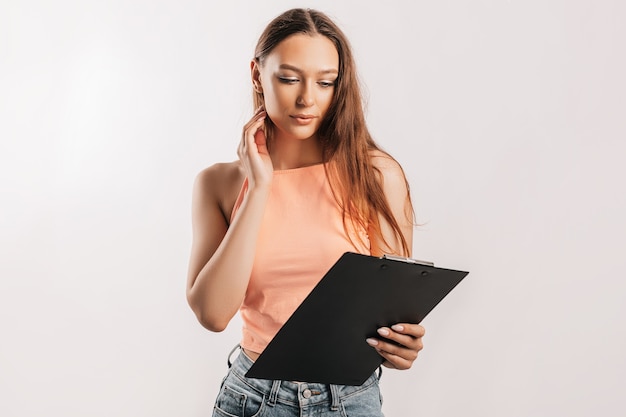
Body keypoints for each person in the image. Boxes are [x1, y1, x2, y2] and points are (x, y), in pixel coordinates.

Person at [186, 8, 425, 416]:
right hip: (253, 397)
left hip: (349, 398)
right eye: (289, 78)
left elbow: (389, 310)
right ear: (258, 75)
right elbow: (212, 314)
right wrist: (259, 187)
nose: (306, 99)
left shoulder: (375, 175)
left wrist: (400, 346)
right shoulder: (219, 183)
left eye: (325, 82)